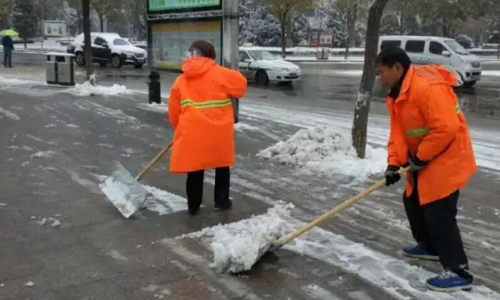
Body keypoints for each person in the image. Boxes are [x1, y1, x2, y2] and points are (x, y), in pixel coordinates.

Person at [377, 47, 477, 292]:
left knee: (438, 211)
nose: (379, 78)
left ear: (397, 68)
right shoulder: (397, 93)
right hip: (425, 156)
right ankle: (430, 246)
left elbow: (446, 129)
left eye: (381, 72)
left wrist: (421, 157)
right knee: (412, 201)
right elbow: (400, 133)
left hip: (447, 155)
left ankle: (458, 270)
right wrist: (393, 163)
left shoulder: (427, 87)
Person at [168, 40, 248, 216]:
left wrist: (179, 129)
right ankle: (221, 201)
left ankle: (193, 206)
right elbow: (241, 87)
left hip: (192, 131)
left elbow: (174, 111)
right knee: (222, 166)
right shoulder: (220, 73)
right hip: (219, 131)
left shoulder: (181, 79)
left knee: (195, 169)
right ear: (211, 56)